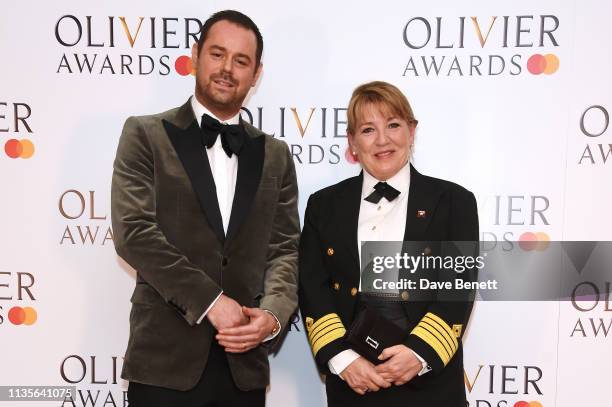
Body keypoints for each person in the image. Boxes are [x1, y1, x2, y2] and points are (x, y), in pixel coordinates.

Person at [111, 10, 299, 407]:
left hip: (243, 367)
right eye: (217, 54)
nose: (227, 68)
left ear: (256, 72)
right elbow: (134, 234)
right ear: (196, 55)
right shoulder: (145, 134)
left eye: (241, 60)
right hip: (164, 363)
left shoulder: (276, 155)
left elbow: (285, 250)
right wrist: (212, 302)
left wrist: (272, 317)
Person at [299, 81, 478, 406]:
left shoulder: (454, 202)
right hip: (353, 382)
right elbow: (313, 288)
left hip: (430, 384)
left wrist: (418, 353)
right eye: (368, 129)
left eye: (393, 125)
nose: (383, 140)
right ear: (352, 143)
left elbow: (458, 288)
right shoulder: (324, 205)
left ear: (412, 131)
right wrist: (342, 359)